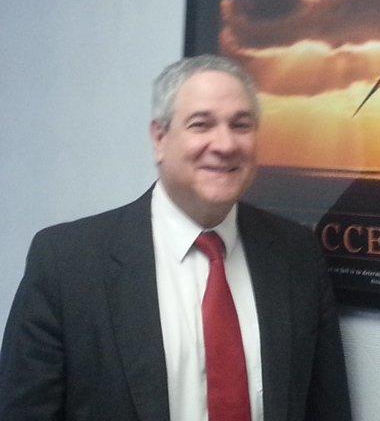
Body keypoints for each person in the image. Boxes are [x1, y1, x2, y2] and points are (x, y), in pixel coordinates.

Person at [0, 55, 352, 421]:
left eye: (241, 125)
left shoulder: (297, 255)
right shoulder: (67, 263)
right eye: (201, 124)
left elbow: (328, 410)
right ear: (160, 138)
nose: (225, 144)